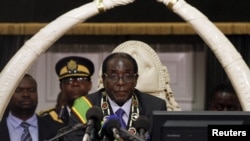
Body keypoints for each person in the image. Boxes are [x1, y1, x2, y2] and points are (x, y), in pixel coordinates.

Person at [64, 52, 167, 141]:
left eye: (127, 76)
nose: (120, 82)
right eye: (113, 76)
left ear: (136, 79)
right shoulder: (84, 107)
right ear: (104, 79)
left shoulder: (155, 107)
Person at [0, 74, 64, 141]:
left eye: (31, 90)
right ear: (8, 94)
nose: (26, 94)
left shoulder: (58, 130)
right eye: (18, 90)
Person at [39, 56, 95, 125]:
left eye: (80, 79)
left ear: (90, 85)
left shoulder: (102, 116)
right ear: (61, 86)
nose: (75, 83)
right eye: (69, 80)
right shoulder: (46, 120)